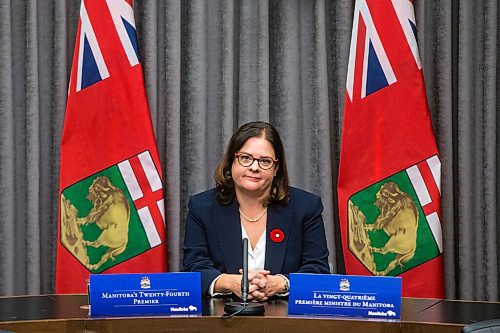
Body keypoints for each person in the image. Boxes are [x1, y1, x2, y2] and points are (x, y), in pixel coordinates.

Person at [182, 121, 330, 301]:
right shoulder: (202, 207)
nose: (254, 167)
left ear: (276, 169)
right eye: (245, 158)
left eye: (265, 161)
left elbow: (318, 268)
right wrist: (230, 282)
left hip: (287, 320)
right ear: (231, 161)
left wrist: (280, 284)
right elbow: (194, 267)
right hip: (221, 318)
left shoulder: (305, 207)